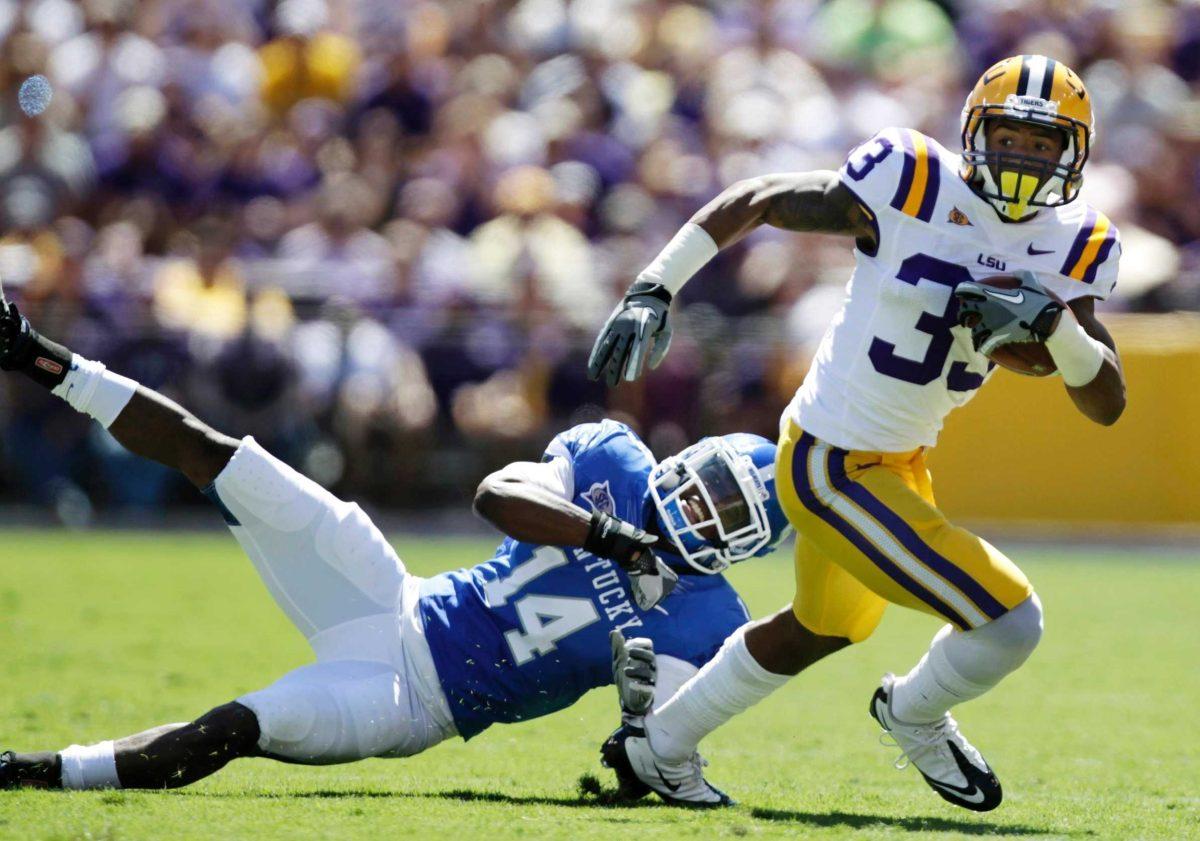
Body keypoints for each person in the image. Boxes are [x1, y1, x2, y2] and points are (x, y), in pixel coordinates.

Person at [590, 55, 1125, 811]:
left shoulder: (1077, 241)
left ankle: (659, 746)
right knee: (1010, 623)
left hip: (899, 460)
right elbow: (763, 198)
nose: (1022, 157)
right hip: (830, 461)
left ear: (1073, 154)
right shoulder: (911, 179)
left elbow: (1105, 398)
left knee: (824, 625)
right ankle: (912, 711)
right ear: (975, 130)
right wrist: (656, 283)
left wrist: (1057, 326)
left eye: (1044, 145)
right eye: (1009, 135)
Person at [0, 295, 790, 794]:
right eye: (712, 483)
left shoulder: (711, 619)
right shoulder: (611, 459)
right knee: (222, 454)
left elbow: (646, 754)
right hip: (391, 593)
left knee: (238, 727)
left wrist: (636, 715)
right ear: (698, 453)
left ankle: (38, 770)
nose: (705, 507)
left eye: (730, 512)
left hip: (414, 703)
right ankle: (35, 352)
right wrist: (613, 538)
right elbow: (499, 496)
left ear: (747, 545)